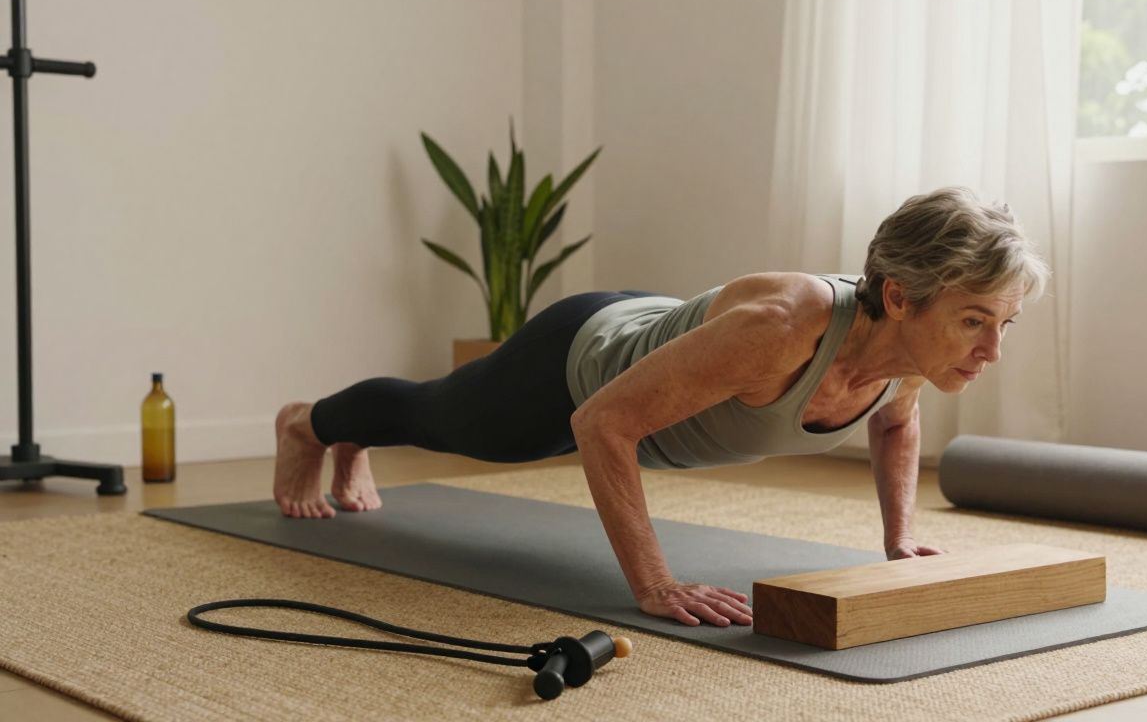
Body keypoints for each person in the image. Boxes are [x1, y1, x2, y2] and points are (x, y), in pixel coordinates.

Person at [271, 186, 1050, 629]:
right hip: (576, 362)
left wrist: (900, 539)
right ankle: (310, 424)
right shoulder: (781, 331)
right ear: (898, 297)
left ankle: (346, 441)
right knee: (437, 418)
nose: (990, 351)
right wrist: (653, 583)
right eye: (975, 321)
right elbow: (601, 423)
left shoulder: (912, 353)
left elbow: (896, 419)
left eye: (1002, 324)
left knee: (433, 418)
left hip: (664, 329)